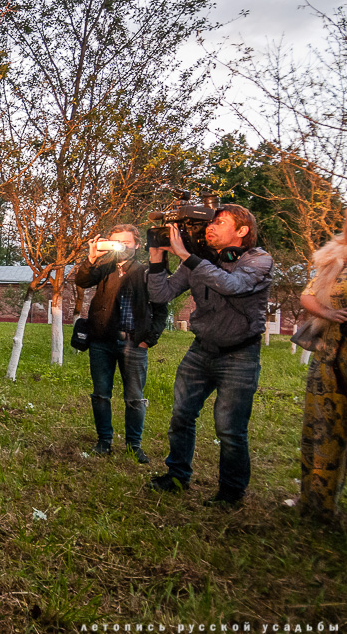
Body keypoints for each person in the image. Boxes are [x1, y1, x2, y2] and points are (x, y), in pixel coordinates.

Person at [147, 205, 273, 506]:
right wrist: (156, 259)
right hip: (201, 350)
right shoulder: (198, 260)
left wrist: (186, 255)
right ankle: (177, 476)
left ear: (241, 230)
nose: (210, 228)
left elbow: (232, 285)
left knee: (229, 429)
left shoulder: (258, 260)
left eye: (220, 222)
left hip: (240, 354)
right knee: (181, 416)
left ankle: (231, 493)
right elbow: (161, 294)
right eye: (209, 223)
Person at [74, 225, 167, 463]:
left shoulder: (146, 271)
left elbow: (161, 309)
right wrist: (91, 258)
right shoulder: (104, 267)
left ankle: (133, 445)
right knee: (100, 395)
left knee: (135, 398)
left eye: (126, 242)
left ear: (137, 245)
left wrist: (148, 340)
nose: (121, 247)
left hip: (134, 343)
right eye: (116, 242)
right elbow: (82, 280)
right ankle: (104, 442)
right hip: (101, 341)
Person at [297, 228, 347, 522]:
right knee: (321, 430)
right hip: (329, 359)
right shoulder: (335, 256)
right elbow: (308, 295)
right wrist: (328, 313)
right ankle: (317, 505)